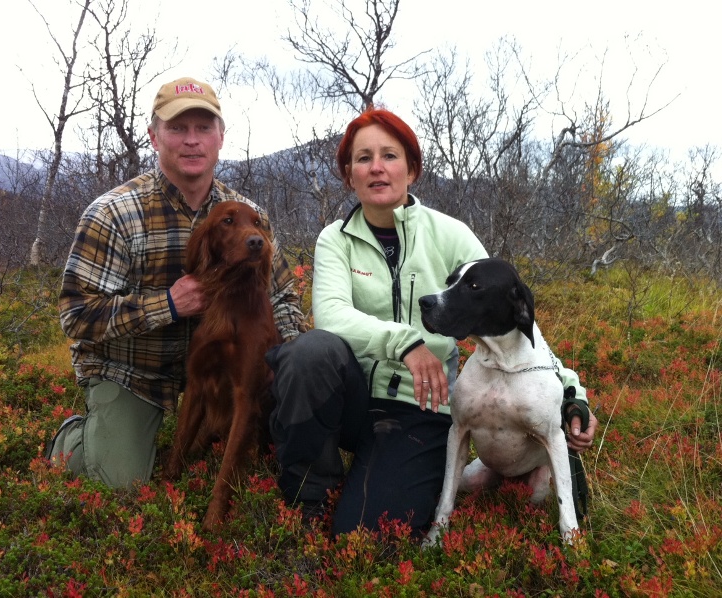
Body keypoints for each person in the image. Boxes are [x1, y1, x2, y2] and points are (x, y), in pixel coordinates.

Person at [267, 107, 598, 537]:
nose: (377, 167)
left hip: (419, 408)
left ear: (412, 169)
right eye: (363, 158)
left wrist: (573, 392)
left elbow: (511, 314)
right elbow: (332, 317)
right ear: (349, 175)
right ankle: (309, 498)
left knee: (367, 535)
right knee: (309, 352)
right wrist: (405, 342)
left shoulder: (451, 234)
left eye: (390, 155)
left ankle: (370, 484)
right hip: (351, 396)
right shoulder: (335, 239)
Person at [46, 77, 305, 488]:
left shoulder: (248, 217)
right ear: (153, 136)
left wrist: (294, 362)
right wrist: (166, 304)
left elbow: (284, 299)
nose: (192, 141)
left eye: (204, 128)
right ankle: (73, 438)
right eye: (177, 128)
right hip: (133, 371)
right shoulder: (114, 213)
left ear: (221, 138)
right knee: (120, 483)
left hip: (215, 376)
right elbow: (76, 316)